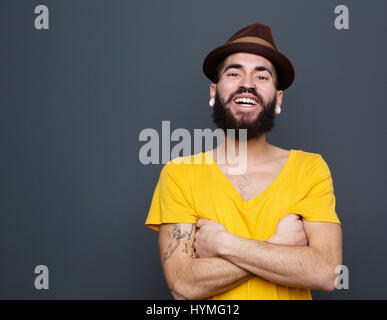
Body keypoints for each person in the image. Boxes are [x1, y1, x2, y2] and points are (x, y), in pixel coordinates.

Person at [145, 22, 342, 300]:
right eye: (234, 73)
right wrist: (278, 244)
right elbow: (183, 285)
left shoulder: (310, 169)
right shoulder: (179, 174)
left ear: (277, 98)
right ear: (214, 92)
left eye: (262, 77)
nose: (247, 84)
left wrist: (223, 243)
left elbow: (326, 272)